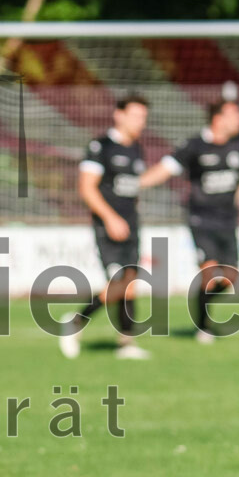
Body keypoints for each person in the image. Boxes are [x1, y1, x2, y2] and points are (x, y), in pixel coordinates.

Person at [146, 100, 239, 343]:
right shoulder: (194, 146)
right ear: (218, 118)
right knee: (210, 272)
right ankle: (203, 325)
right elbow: (165, 169)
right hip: (201, 219)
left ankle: (201, 308)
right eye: (235, 114)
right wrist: (137, 184)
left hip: (228, 220)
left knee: (230, 278)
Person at [60, 94, 155, 360]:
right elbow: (86, 188)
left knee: (131, 283)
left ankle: (126, 343)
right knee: (118, 283)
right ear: (119, 115)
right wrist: (111, 217)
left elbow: (133, 188)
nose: (141, 122)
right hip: (108, 225)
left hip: (131, 225)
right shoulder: (100, 146)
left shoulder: (137, 148)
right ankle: (75, 322)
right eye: (136, 116)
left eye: (144, 117)